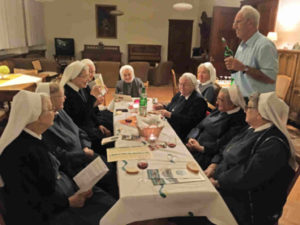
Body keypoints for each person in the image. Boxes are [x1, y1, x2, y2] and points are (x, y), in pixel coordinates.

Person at [0, 90, 115, 225]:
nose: (55, 112)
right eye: (50, 109)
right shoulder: (20, 151)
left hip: (63, 194)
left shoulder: (34, 137)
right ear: (36, 116)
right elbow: (31, 199)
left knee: (108, 201)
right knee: (109, 214)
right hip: (48, 214)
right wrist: (70, 201)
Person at [209, 92, 297, 225]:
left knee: (192, 210)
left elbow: (247, 175)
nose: (245, 110)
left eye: (249, 107)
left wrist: (218, 182)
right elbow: (227, 148)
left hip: (246, 204)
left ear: (261, 113)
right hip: (228, 185)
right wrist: (214, 166)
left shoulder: (274, 144)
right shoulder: (252, 129)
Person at [36, 82, 118, 198]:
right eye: (61, 96)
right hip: (74, 165)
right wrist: (82, 153)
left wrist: (85, 146)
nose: (65, 98)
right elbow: (59, 156)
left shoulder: (61, 111)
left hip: (85, 154)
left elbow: (79, 131)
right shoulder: (45, 125)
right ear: (49, 99)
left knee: (112, 167)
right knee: (109, 175)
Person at [186, 84, 247, 170]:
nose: (216, 103)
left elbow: (223, 145)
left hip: (207, 156)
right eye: (217, 98)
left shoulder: (238, 121)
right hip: (194, 146)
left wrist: (201, 148)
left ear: (232, 103)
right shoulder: (219, 110)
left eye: (221, 100)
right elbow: (199, 126)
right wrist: (191, 138)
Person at [224, 5, 278, 97]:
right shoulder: (241, 45)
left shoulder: (265, 45)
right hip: (239, 101)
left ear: (250, 23)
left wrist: (244, 68)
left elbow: (270, 78)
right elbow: (237, 76)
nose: (234, 26)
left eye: (238, 22)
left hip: (255, 104)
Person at [60, 61, 112, 154]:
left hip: (91, 126)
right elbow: (79, 119)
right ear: (74, 76)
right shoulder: (66, 93)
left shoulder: (83, 86)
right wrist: (92, 98)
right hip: (83, 134)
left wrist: (99, 124)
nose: (88, 79)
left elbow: (91, 110)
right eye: (85, 76)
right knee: (112, 145)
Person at [153, 73, 207, 141]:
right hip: (171, 125)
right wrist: (162, 106)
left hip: (182, 132)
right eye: (180, 84)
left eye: (185, 84)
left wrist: (170, 115)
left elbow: (190, 122)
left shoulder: (198, 101)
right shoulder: (180, 93)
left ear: (193, 86)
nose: (182, 87)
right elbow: (172, 107)